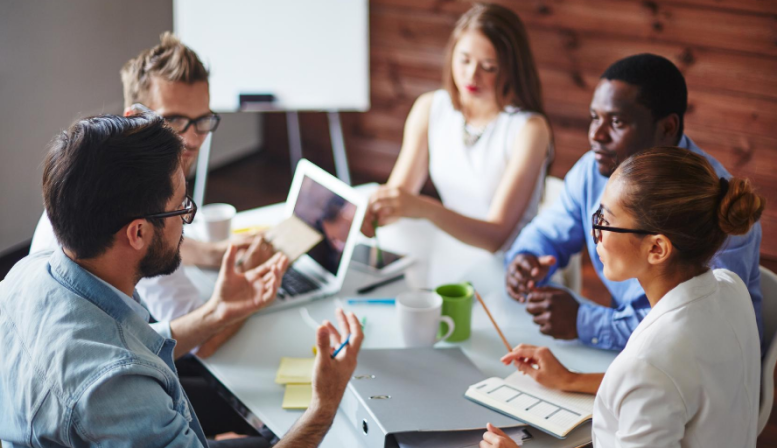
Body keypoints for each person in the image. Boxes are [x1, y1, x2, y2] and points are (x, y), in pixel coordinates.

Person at [0, 114, 363, 448]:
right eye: (182, 207)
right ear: (137, 232)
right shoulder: (117, 388)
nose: (187, 220)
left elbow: (125, 345)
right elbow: (118, 368)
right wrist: (323, 407)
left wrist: (220, 311)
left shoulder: (29, 272)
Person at [481, 146, 763, 447]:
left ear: (656, 249)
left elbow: (654, 379)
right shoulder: (730, 287)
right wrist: (570, 379)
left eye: (606, 219)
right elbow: (674, 388)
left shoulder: (649, 363)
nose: (596, 232)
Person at [29, 33, 271, 357]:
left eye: (202, 121)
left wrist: (215, 254)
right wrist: (254, 293)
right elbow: (202, 342)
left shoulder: (90, 173)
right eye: (173, 120)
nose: (192, 139)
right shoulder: (141, 205)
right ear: (135, 117)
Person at [504, 53, 763, 351]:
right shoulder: (593, 169)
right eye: (594, 118)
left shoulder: (714, 204)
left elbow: (700, 329)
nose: (596, 135)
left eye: (616, 121)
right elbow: (549, 231)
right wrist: (526, 258)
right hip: (638, 355)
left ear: (667, 128)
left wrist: (585, 322)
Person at [362, 3, 552, 253]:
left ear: (510, 69)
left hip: (513, 264)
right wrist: (368, 215)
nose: (472, 76)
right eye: (464, 60)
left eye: (488, 67)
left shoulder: (530, 129)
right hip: (452, 251)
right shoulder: (431, 107)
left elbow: (496, 237)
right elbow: (399, 197)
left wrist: (425, 208)